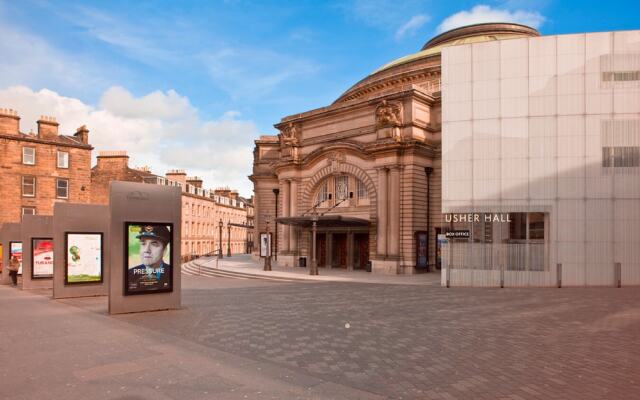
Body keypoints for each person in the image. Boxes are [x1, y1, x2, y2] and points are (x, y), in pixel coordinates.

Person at [127, 225, 172, 293]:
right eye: (143, 244)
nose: (146, 250)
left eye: (154, 244)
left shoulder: (172, 273)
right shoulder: (129, 274)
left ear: (164, 250)